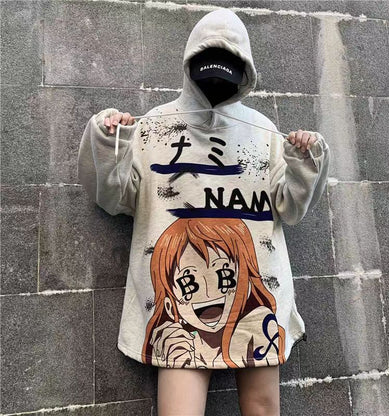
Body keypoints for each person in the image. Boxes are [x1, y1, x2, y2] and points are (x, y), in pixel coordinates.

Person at [77, 7, 330, 416]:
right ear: (189, 64)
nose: (215, 80)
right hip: (179, 304)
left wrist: (306, 161)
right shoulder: (155, 126)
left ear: (244, 72)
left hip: (254, 300)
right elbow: (114, 197)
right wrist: (109, 143)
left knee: (263, 408)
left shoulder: (263, 130)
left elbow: (292, 207)